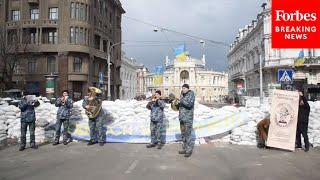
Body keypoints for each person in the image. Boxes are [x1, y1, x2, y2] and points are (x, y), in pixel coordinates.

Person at [178, 84, 195, 158]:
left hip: (188, 118)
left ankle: (189, 150)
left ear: (188, 88)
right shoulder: (182, 95)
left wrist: (181, 101)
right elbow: (180, 105)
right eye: (182, 88)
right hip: (182, 118)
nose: (183, 89)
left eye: (185, 88)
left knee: (188, 135)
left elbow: (189, 104)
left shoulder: (191, 94)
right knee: (183, 134)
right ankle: (185, 149)